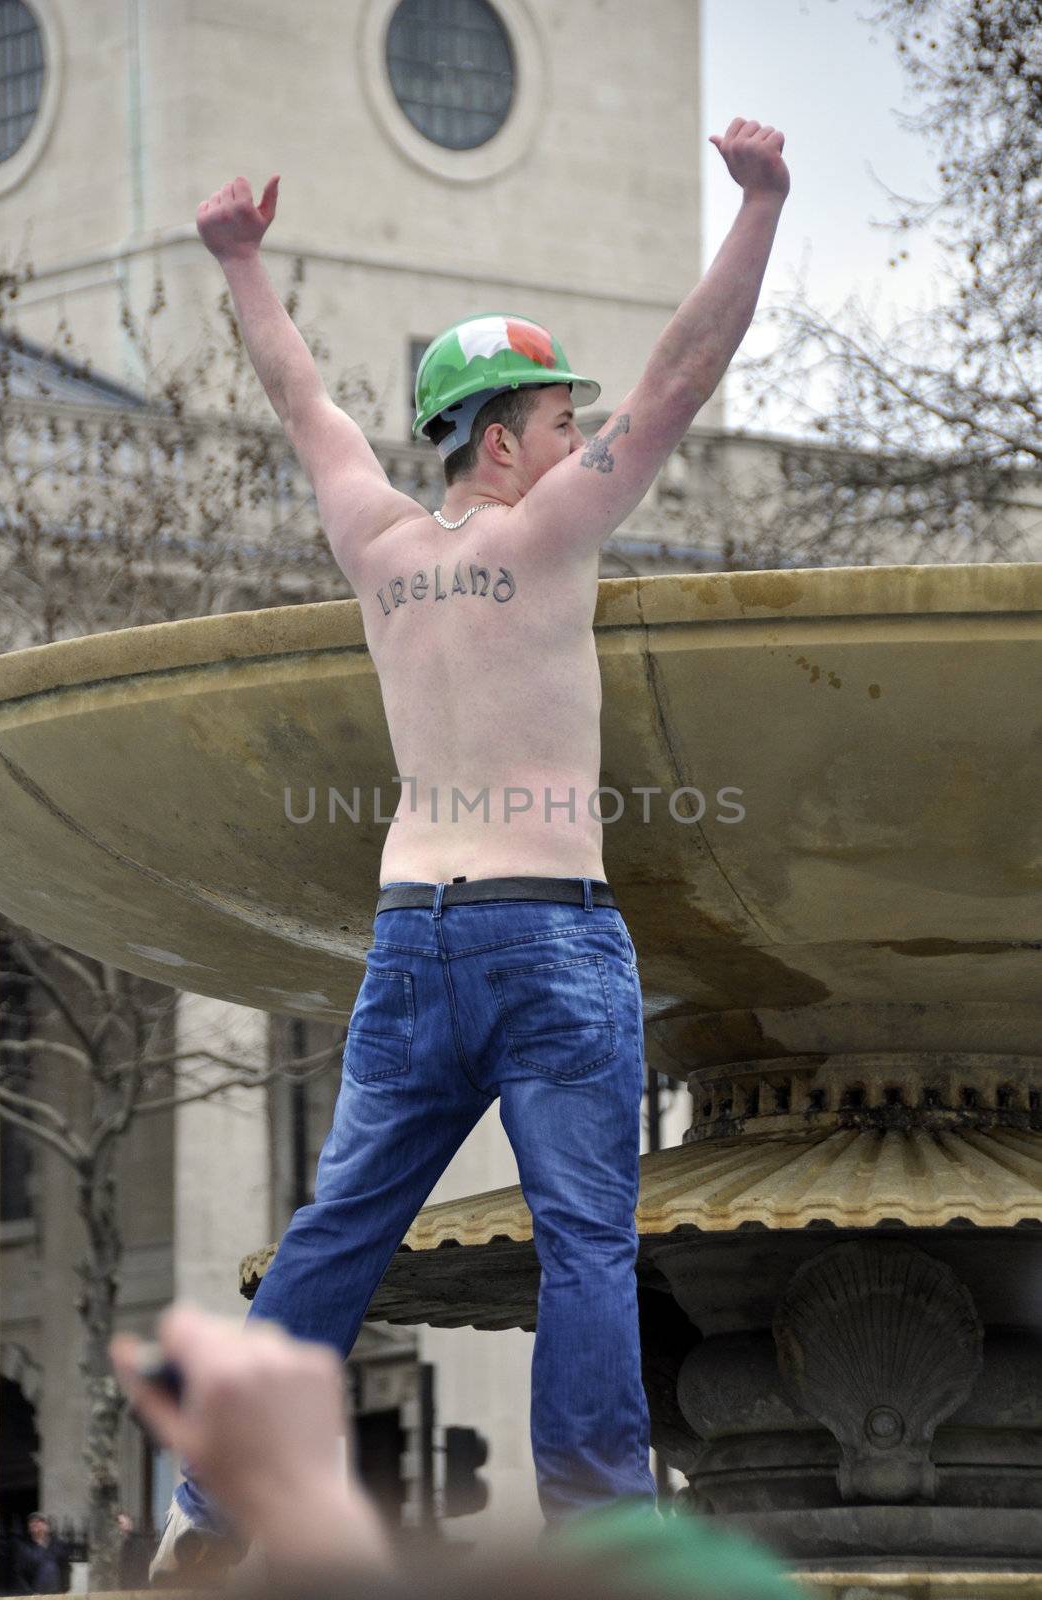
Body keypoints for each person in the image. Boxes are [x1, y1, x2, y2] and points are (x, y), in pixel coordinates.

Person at [154, 116, 790, 1583]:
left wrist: (239, 260)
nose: (583, 439)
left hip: (411, 942)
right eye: (559, 421)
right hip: (547, 936)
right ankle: (601, 1531)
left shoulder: (375, 546)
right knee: (582, 1240)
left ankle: (211, 1503)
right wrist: (755, 203)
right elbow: (683, 374)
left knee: (336, 1230)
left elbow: (300, 399)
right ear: (501, 438)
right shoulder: (554, 529)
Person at [113, 1303, 806, 1600]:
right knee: (586, 1236)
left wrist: (297, 1500)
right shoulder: (711, 1577)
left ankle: (202, 1517)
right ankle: (602, 1524)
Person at [13, 1512, 69, 1595]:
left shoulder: (58, 1544)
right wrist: (30, 1593)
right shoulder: (24, 1548)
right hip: (35, 1595)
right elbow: (18, 1574)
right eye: (32, 1522)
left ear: (47, 1526)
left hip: (57, 1594)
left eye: (40, 1521)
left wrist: (64, 1589)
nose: (35, 1523)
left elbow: (65, 1568)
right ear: (29, 1527)